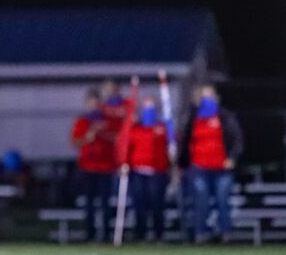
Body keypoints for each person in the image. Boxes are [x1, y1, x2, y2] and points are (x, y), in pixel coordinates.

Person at [179, 84, 244, 244]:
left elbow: (237, 139)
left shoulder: (225, 117)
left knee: (223, 201)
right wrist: (182, 163)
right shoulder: (193, 118)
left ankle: (225, 234)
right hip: (199, 167)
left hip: (222, 168)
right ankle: (201, 234)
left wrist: (232, 158)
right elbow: (185, 142)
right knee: (201, 201)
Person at [71, 89, 116, 242]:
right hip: (88, 168)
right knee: (89, 203)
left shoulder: (108, 120)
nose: (94, 105)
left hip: (105, 168)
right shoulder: (82, 121)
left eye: (96, 102)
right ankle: (89, 234)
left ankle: (106, 235)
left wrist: (103, 134)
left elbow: (117, 138)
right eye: (91, 102)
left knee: (105, 203)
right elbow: (76, 142)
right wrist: (88, 137)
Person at [126, 97, 170, 242]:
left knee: (157, 204)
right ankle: (141, 234)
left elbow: (170, 146)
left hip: (157, 171)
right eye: (146, 107)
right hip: (138, 171)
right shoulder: (135, 128)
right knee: (140, 204)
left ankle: (159, 234)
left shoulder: (162, 128)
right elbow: (127, 148)